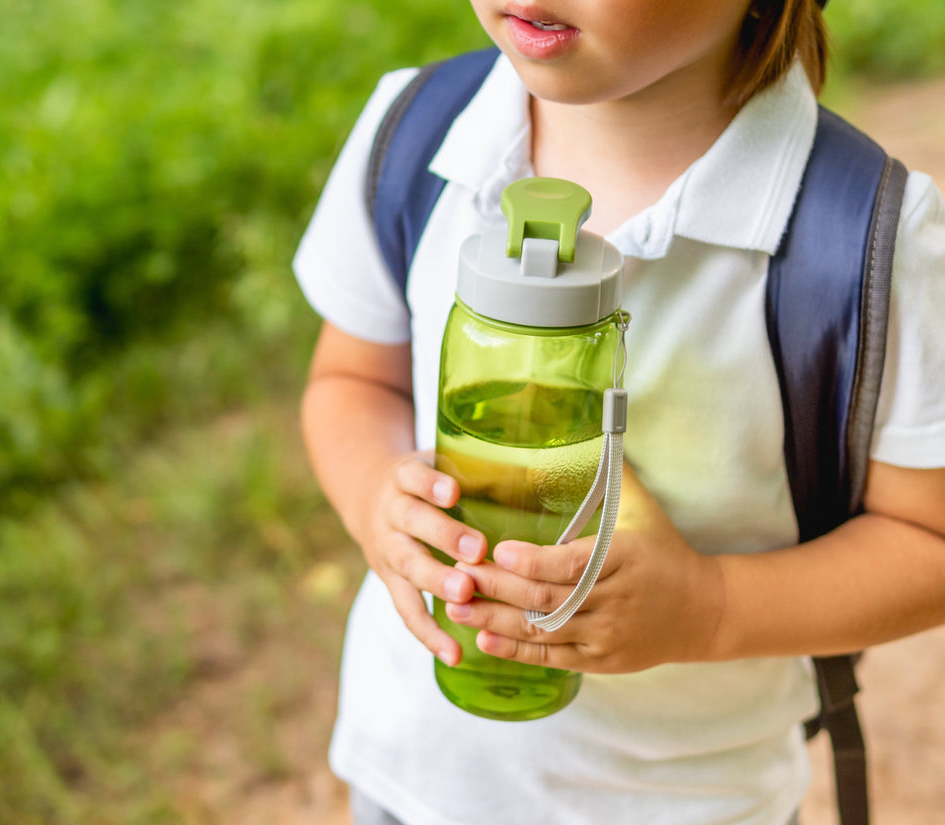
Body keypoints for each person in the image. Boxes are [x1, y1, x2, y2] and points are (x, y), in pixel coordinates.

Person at [294, 1, 945, 823]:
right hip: (413, 782)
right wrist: (373, 501)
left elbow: (929, 541)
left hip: (689, 804)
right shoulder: (419, 131)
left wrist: (709, 607)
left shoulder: (863, 239)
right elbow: (352, 381)